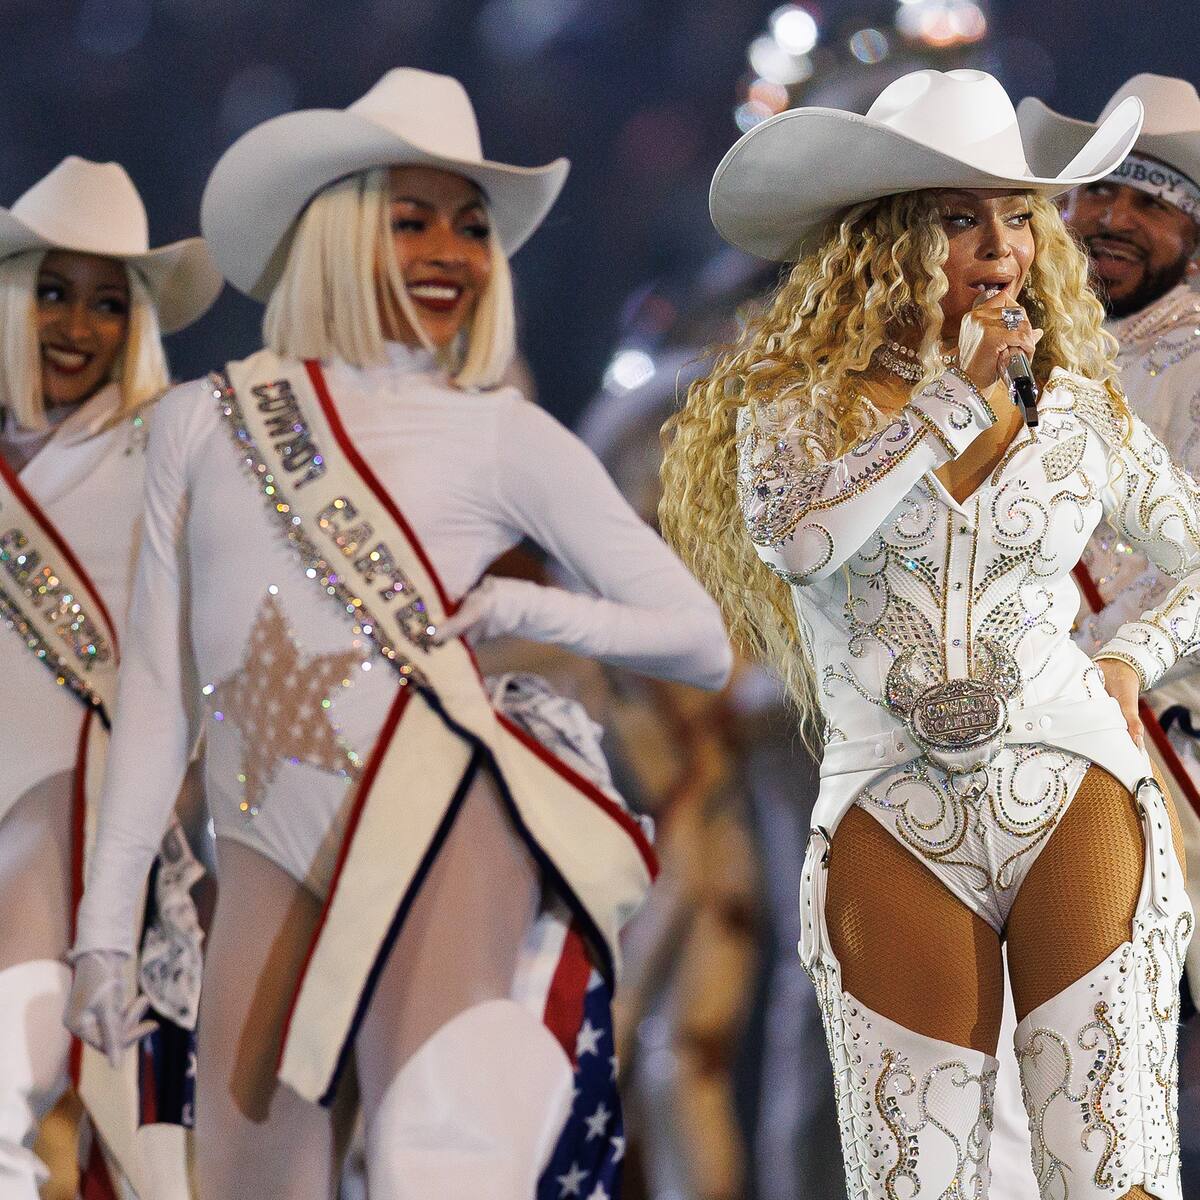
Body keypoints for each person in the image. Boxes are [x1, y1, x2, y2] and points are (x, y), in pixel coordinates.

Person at [66, 67, 732, 1199]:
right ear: (335, 233)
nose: (451, 251)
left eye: (471, 228)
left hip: (442, 820)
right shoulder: (199, 422)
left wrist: (527, 609)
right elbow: (159, 699)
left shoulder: (503, 434)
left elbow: (696, 638)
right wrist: (104, 920)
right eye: (412, 220)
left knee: (437, 1160)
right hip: (262, 860)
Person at [661, 67, 1196, 1199]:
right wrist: (950, 402)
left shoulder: (1078, 409)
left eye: (1018, 215)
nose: (1000, 245)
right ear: (883, 242)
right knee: (919, 1184)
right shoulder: (796, 407)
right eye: (958, 218)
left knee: (1113, 1174)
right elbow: (801, 543)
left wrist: (1130, 657)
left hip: (1074, 786)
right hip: (889, 809)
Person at [0, 157, 220, 1196]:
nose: (77, 326)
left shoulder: (168, 452)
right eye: (53, 292)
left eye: (106, 302)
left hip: (83, 857)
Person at [1021, 74, 1200, 1003]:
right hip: (1033, 739)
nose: (1116, 217)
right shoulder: (1016, 349)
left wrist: (1112, 663)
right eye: (1099, 190)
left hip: (1168, 731)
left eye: (1153, 201)